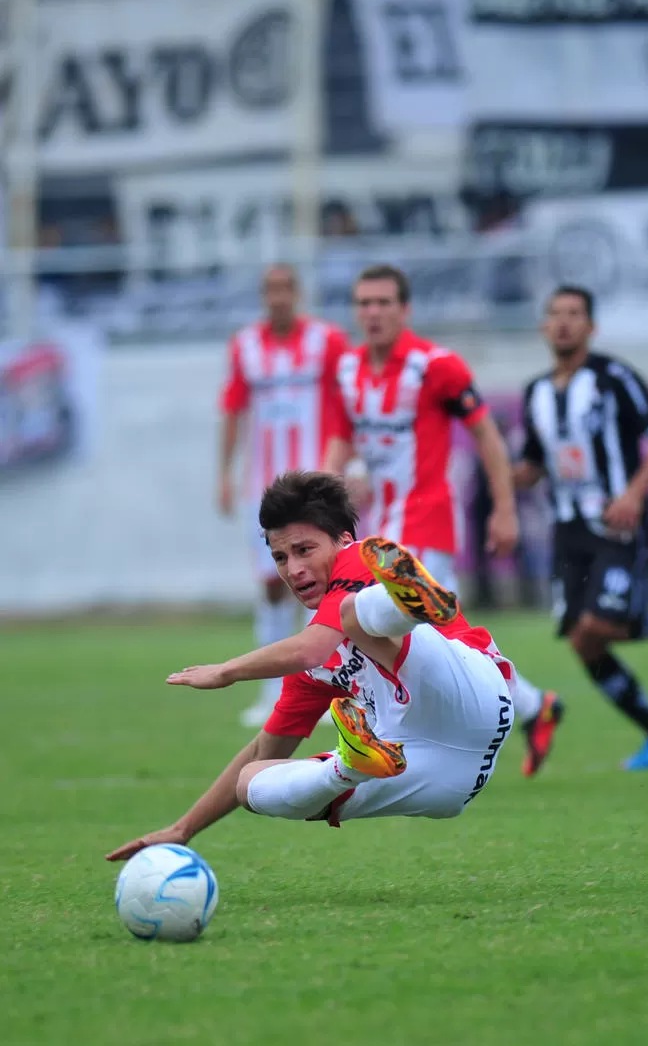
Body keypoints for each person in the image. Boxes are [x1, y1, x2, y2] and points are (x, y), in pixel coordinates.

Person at [106, 472, 515, 862]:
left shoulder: (357, 557)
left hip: (474, 697)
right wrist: (183, 830)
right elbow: (264, 748)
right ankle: (349, 765)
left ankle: (407, 604)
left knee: (354, 613)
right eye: (280, 556)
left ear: (342, 539)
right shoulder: (312, 671)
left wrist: (226, 670)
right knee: (251, 781)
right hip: (435, 773)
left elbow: (311, 649)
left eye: (304, 550)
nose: (293, 569)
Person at [323, 263, 563, 777]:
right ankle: (532, 705)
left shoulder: (436, 365)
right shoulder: (348, 370)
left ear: (404, 310)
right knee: (435, 635)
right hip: (377, 526)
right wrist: (325, 492)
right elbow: (341, 441)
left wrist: (503, 508)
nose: (373, 312)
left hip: (426, 524)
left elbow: (486, 437)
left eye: (384, 302)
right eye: (364, 303)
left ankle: (382, 726)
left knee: (421, 632)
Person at [515, 285, 648, 771]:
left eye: (574, 314)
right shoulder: (535, 392)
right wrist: (505, 479)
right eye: (554, 314)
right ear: (543, 326)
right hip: (567, 529)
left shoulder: (614, 377)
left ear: (591, 327)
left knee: (600, 623)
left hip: (615, 522)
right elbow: (535, 462)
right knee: (583, 640)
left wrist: (634, 493)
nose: (563, 322)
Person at [219, 264, 348, 726]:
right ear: (263, 295)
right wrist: (224, 473)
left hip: (317, 485)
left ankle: (339, 689)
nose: (277, 297)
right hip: (265, 486)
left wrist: (347, 466)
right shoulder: (246, 347)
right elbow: (233, 409)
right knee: (274, 584)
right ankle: (273, 691)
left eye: (285, 288)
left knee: (333, 581)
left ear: (297, 292)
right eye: (270, 289)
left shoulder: (327, 342)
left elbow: (348, 401)